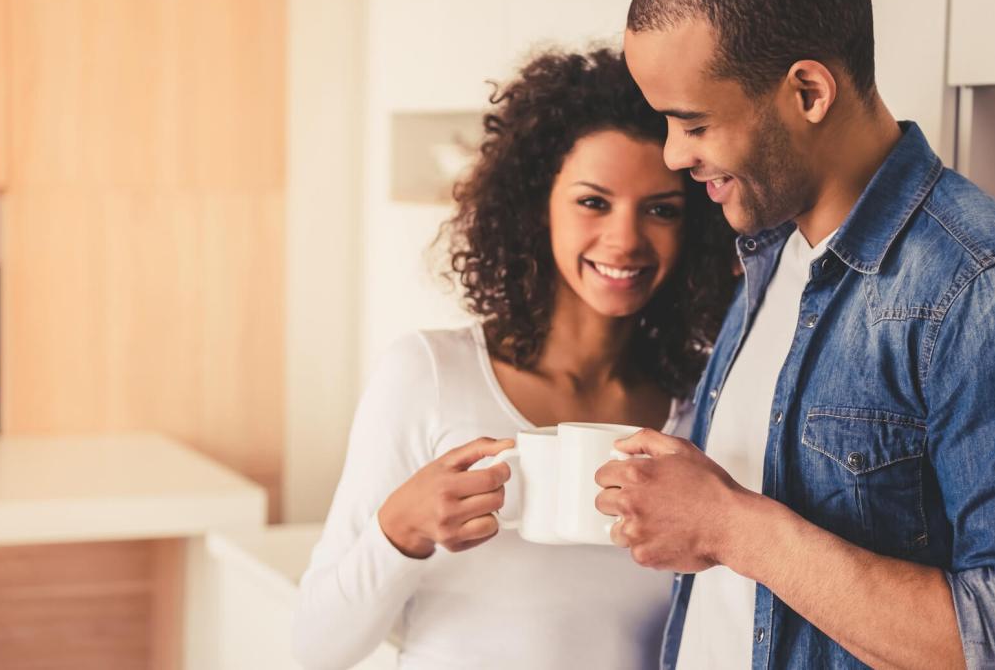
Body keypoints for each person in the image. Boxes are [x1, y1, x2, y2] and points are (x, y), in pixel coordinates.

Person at [594, 0, 995, 668]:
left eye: (695, 123)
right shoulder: (766, 251)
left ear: (808, 92)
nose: (673, 154)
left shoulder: (988, 289)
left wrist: (732, 527)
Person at [291, 48, 736, 670]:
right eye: (593, 202)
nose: (626, 239)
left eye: (661, 209)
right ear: (537, 206)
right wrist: (401, 531)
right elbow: (311, 650)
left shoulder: (699, 412)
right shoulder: (429, 375)